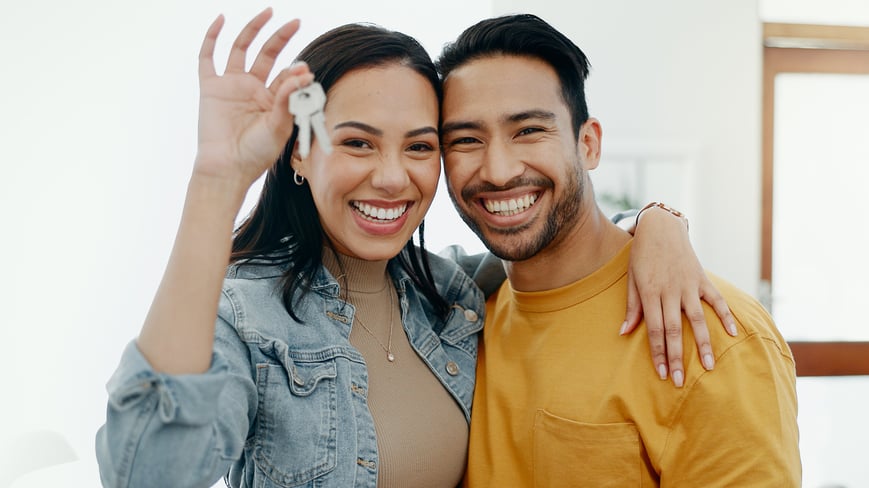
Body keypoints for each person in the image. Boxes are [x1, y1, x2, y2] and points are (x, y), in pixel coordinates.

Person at [96, 9, 733, 488]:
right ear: (298, 149)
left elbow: (561, 242)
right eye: (357, 142)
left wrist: (656, 223)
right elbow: (148, 471)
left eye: (421, 145)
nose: (394, 177)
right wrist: (217, 180)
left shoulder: (451, 295)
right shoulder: (247, 315)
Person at [436, 13, 801, 486]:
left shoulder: (710, 332)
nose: (499, 170)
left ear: (587, 144)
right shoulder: (453, 316)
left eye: (528, 130)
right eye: (466, 139)